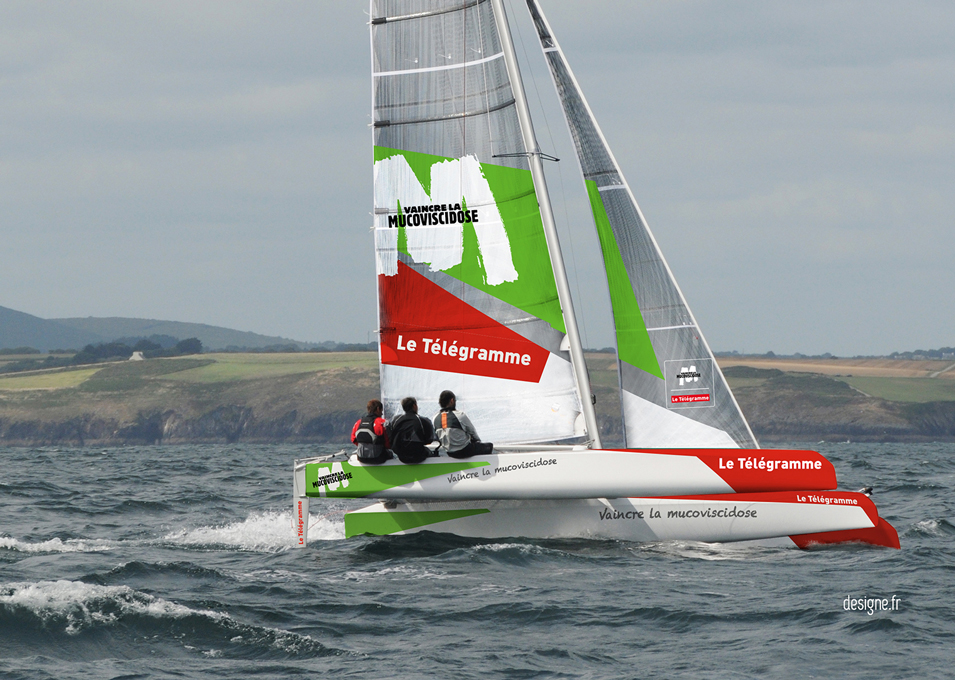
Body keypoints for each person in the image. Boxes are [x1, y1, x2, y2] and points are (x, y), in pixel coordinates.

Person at [432, 390, 493, 458]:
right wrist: (477, 441)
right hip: (464, 451)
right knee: (489, 446)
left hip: (449, 452)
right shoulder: (460, 415)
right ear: (452, 400)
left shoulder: (435, 418)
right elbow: (472, 432)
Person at [388, 396, 435, 464]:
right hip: (419, 456)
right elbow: (429, 440)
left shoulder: (396, 420)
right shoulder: (423, 420)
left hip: (402, 456)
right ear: (414, 406)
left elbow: (392, 438)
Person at [350, 399, 392, 464]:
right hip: (378, 458)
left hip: (361, 458)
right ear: (378, 409)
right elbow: (389, 443)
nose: (382, 413)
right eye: (381, 410)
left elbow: (353, 440)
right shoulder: (383, 423)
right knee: (391, 454)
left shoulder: (358, 423)